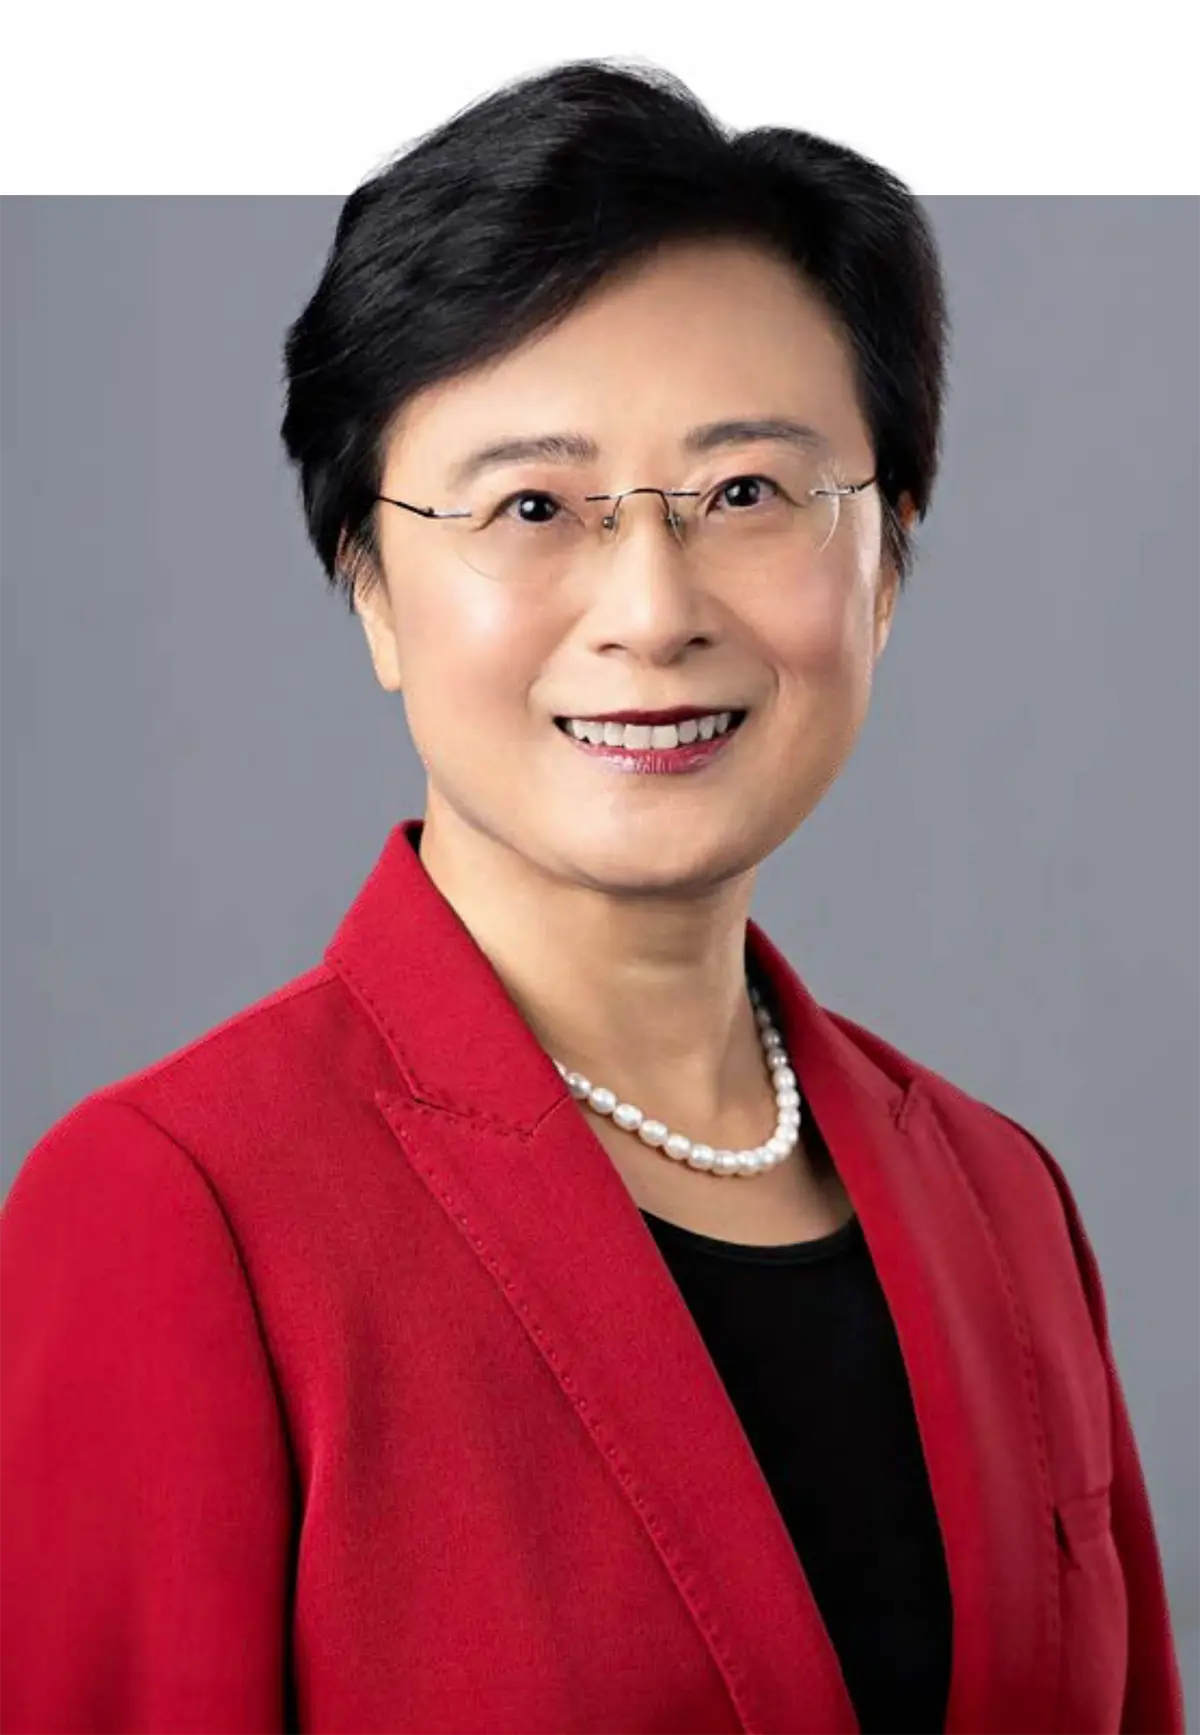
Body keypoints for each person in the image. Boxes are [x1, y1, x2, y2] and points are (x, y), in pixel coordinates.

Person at [0, 55, 1184, 1735]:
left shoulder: (1005, 1202)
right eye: (534, 505)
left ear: (891, 556)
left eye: (749, 494)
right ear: (373, 588)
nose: (649, 605)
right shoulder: (175, 1216)